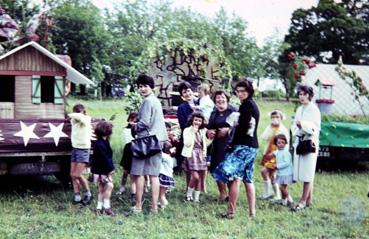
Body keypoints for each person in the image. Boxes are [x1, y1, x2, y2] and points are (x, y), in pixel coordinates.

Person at [213, 80, 260, 219]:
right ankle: (252, 213)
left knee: (233, 178)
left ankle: (230, 213)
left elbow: (243, 128)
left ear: (249, 91)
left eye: (243, 91)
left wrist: (231, 142)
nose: (240, 94)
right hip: (252, 146)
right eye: (238, 91)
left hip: (244, 146)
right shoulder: (251, 105)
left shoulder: (247, 105)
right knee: (248, 179)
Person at [130, 74, 168, 213]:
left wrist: (134, 126)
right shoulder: (156, 101)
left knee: (139, 174)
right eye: (140, 86)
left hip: (145, 142)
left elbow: (145, 123)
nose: (143, 89)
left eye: (145, 86)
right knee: (154, 175)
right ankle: (154, 207)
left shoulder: (147, 102)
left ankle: (139, 205)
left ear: (151, 87)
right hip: (158, 141)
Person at [291, 85, 321, 212]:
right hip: (300, 141)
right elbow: (294, 125)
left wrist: (302, 124)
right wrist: (297, 128)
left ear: (309, 95)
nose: (301, 97)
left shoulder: (314, 109)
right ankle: (309, 199)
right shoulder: (300, 109)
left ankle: (303, 201)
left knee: (308, 172)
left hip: (310, 142)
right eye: (300, 94)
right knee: (304, 170)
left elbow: (315, 127)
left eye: (304, 94)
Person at [207, 90, 235, 202]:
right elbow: (209, 127)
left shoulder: (233, 111)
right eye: (217, 98)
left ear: (227, 99)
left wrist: (228, 130)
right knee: (215, 168)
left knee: (228, 170)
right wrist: (209, 132)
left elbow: (242, 126)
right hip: (217, 145)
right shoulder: (214, 113)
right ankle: (223, 193)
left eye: (222, 97)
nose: (220, 100)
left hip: (230, 145)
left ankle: (232, 195)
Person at [259, 110, 289, 200]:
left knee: (264, 171)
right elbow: (264, 137)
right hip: (268, 153)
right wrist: (270, 128)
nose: (274, 119)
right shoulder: (270, 127)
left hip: (277, 155)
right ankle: (273, 194)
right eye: (273, 117)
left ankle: (272, 193)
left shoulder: (283, 130)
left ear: (281, 118)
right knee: (271, 175)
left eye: (277, 117)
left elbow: (284, 145)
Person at [182, 112, 212, 202]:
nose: (197, 122)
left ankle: (196, 198)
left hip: (200, 154)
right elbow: (187, 143)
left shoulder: (203, 130)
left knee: (200, 176)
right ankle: (189, 194)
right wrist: (193, 133)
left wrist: (211, 138)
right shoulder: (187, 130)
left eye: (199, 121)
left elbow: (205, 144)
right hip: (191, 154)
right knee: (195, 176)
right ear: (192, 120)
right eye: (196, 120)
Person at [68, 104, 93, 205]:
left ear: (83, 112)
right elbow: (74, 117)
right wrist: (74, 115)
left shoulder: (86, 119)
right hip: (75, 148)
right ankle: (77, 196)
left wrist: (75, 114)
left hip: (83, 149)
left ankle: (88, 194)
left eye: (80, 112)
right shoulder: (74, 121)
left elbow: (79, 117)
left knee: (77, 174)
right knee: (72, 174)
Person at [91, 121, 115, 215]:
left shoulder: (102, 142)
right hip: (103, 170)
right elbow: (105, 158)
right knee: (109, 186)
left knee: (101, 189)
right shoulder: (101, 144)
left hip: (99, 170)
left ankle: (99, 208)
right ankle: (107, 207)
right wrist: (111, 169)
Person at [118, 112, 138, 205]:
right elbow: (127, 140)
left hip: (136, 150)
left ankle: (140, 189)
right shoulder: (126, 130)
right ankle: (122, 186)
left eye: (135, 120)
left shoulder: (139, 130)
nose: (133, 121)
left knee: (136, 174)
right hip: (129, 150)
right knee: (126, 172)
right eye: (132, 119)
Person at [272, 134, 294, 206]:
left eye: (283, 142)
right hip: (281, 173)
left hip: (286, 173)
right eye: (279, 143)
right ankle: (284, 202)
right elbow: (276, 154)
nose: (281, 144)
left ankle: (290, 199)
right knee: (283, 187)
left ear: (285, 143)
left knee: (282, 187)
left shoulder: (286, 152)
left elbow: (287, 163)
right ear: (276, 144)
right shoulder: (278, 151)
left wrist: (277, 166)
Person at [159, 142, 175, 208]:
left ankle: (165, 204)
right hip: (168, 177)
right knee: (162, 193)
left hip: (163, 176)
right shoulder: (170, 158)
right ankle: (162, 204)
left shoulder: (163, 156)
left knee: (161, 194)